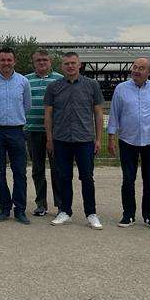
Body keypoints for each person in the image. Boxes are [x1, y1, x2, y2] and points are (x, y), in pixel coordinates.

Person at [107, 58, 150, 229]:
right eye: (135, 67)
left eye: (141, 68)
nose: (136, 70)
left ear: (149, 72)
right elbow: (114, 114)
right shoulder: (121, 88)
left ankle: (149, 215)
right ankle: (128, 214)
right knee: (128, 179)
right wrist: (111, 138)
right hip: (127, 139)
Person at [44, 52, 105, 229]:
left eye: (73, 63)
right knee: (63, 177)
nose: (70, 66)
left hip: (84, 139)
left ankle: (91, 213)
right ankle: (65, 211)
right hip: (61, 139)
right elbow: (48, 115)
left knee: (87, 177)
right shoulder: (54, 87)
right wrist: (49, 138)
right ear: (61, 66)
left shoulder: (92, 85)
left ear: (79, 65)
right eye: (66, 64)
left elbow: (98, 113)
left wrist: (98, 138)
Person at [0, 47, 32, 223]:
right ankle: (4, 208)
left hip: (16, 131)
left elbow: (26, 106)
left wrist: (16, 119)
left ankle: (20, 210)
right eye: (3, 60)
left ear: (14, 61)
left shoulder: (23, 82)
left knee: (20, 172)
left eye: (9, 60)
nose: (6, 63)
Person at [24, 50, 63, 217]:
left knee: (57, 169)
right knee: (37, 169)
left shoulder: (60, 79)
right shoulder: (26, 80)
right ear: (33, 63)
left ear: (50, 61)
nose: (42, 62)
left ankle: (60, 204)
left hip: (55, 132)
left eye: (45, 60)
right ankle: (41, 204)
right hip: (33, 130)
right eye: (38, 60)